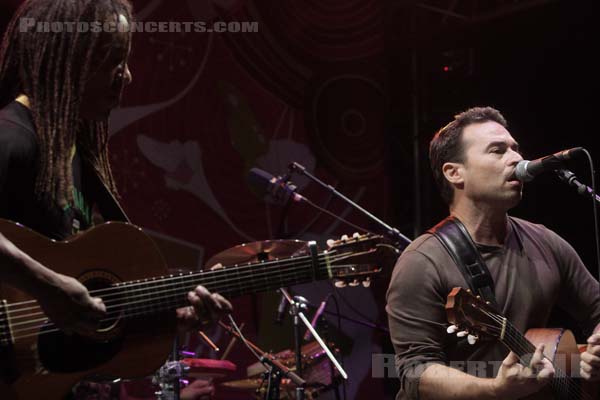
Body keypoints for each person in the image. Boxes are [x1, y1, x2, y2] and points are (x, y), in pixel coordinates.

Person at [0, 0, 230, 398]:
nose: (126, 75)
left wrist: (164, 319)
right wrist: (49, 286)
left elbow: (60, 323)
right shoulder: (12, 138)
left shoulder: (71, 157)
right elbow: (52, 295)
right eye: (112, 59)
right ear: (70, 54)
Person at [386, 106, 600, 399]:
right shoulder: (422, 262)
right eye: (497, 151)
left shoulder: (546, 242)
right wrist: (494, 389)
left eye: (515, 149)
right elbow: (415, 372)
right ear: (454, 173)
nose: (517, 159)